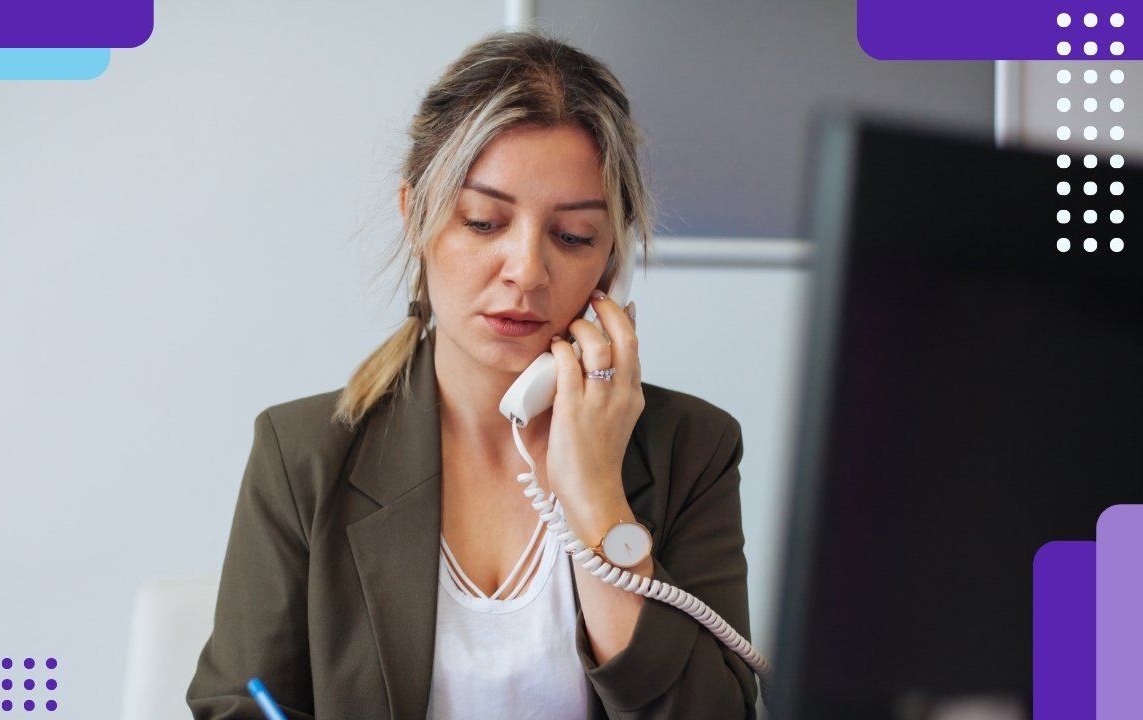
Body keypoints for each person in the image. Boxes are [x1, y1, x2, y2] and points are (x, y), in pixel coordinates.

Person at [187, 30, 758, 720]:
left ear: (609, 260)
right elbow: (237, 706)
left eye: (574, 236)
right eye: (484, 222)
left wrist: (598, 497)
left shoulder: (691, 447)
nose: (526, 270)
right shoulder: (303, 451)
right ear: (417, 220)